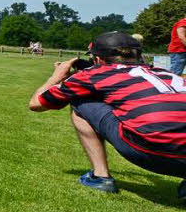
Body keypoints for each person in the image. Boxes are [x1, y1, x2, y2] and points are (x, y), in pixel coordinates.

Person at [29, 31, 186, 198]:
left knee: (81, 102)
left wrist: (57, 76)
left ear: (98, 59)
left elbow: (36, 104)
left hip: (153, 152)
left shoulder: (94, 75)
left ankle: (100, 176)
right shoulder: (168, 74)